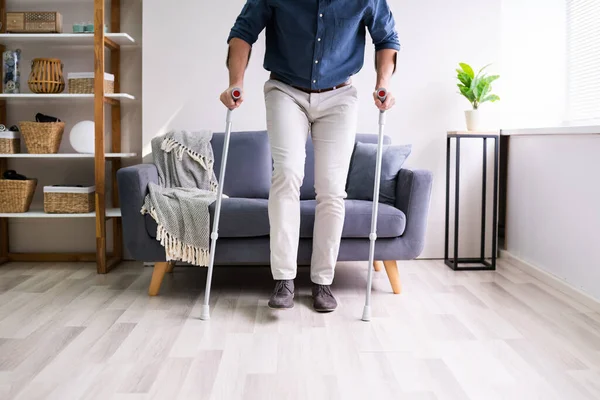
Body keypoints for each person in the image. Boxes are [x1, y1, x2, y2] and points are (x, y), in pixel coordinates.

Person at [221, 0, 400, 312]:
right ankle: (284, 279)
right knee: (287, 174)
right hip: (285, 90)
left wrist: (383, 83)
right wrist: (235, 82)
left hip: (340, 95)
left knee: (332, 189)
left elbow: (387, 38)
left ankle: (322, 281)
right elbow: (242, 33)